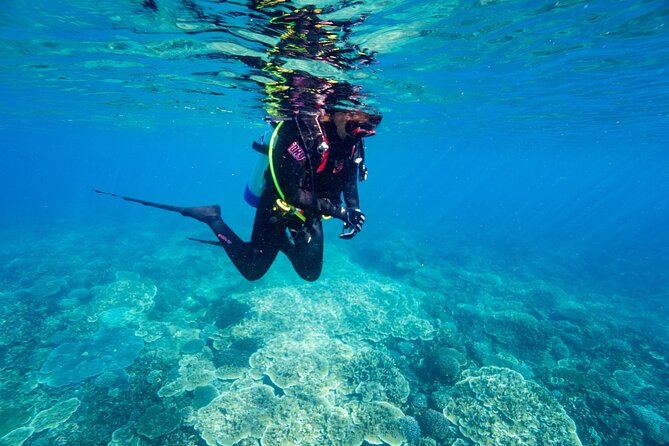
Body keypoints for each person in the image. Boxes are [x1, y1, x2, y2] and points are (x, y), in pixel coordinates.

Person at [96, 108, 380, 281]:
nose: (359, 133)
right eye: (357, 121)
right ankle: (212, 218)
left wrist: (353, 208)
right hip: (279, 206)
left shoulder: (352, 141)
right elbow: (292, 194)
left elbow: (348, 180)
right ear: (338, 112)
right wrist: (341, 211)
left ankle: (280, 242)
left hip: (315, 209)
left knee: (310, 273)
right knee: (253, 270)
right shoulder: (301, 135)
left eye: (366, 129)